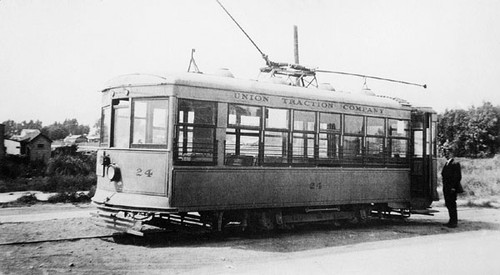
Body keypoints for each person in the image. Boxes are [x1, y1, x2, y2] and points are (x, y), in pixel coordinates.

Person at [441, 149, 463, 228]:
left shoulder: (455, 164)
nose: (446, 155)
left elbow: (457, 177)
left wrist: (453, 187)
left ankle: (454, 222)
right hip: (446, 188)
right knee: (448, 204)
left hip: (451, 188)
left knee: (452, 204)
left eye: (448, 153)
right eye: (445, 153)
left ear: (452, 154)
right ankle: (451, 220)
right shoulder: (447, 163)